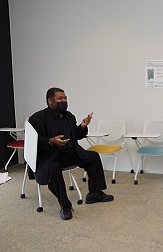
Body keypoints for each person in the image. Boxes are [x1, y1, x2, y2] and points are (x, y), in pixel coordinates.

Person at [28, 87, 114, 220]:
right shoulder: (37, 118)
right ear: (50, 101)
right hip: (51, 156)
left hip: (71, 153)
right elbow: (32, 142)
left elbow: (76, 135)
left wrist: (83, 126)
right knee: (54, 168)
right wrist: (51, 141)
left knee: (93, 156)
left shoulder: (70, 116)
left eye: (65, 98)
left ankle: (94, 193)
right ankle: (65, 205)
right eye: (60, 99)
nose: (64, 101)